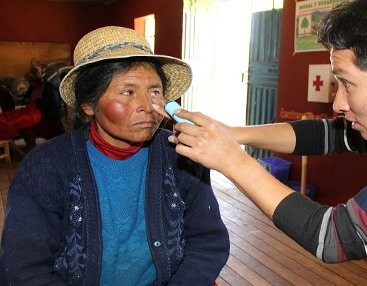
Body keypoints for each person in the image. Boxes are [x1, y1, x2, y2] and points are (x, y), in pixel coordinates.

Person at [152, 0, 367, 280]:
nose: (338, 103)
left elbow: (334, 237)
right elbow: (330, 135)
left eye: (347, 83)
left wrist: (230, 159)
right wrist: (234, 134)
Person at [0, 26, 230, 285]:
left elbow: (207, 240)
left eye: (155, 92)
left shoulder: (182, 156)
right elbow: (24, 270)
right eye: (127, 92)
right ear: (88, 104)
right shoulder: (45, 167)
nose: (147, 106)